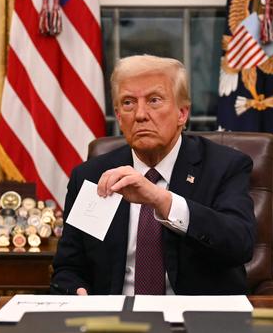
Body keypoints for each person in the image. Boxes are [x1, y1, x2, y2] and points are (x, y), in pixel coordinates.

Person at [51, 55, 256, 296]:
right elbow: (69, 267)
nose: (140, 114)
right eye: (128, 103)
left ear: (182, 113)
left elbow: (239, 244)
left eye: (154, 100)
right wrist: (76, 290)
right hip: (113, 320)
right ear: (119, 117)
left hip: (195, 319)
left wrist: (162, 200)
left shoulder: (224, 166)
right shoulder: (94, 176)